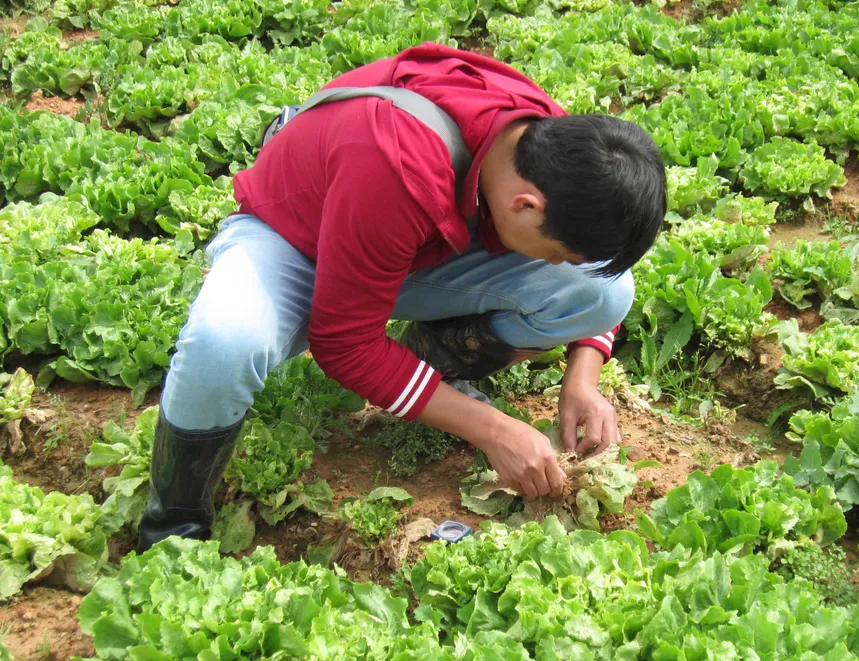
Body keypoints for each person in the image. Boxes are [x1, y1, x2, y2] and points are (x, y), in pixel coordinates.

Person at [136, 42, 666, 552]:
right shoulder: (398, 162)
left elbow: (589, 275)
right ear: (526, 206)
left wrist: (583, 378)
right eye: (556, 253)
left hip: (409, 242)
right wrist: (494, 430)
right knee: (223, 345)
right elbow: (343, 343)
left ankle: (427, 366)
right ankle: (175, 526)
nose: (553, 266)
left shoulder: (549, 144)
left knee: (604, 291)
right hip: (297, 238)